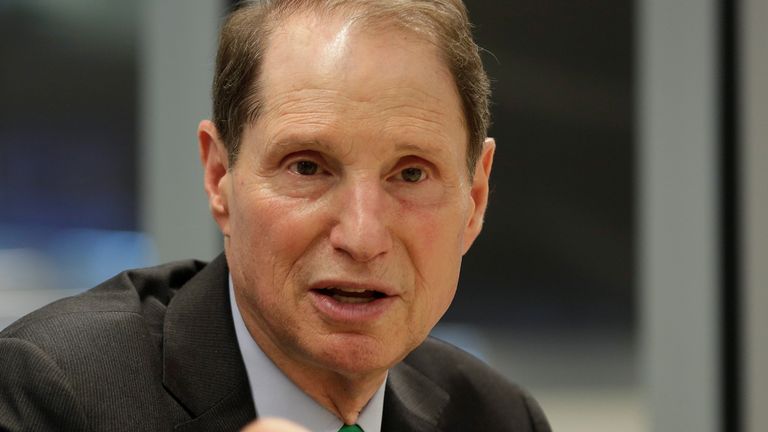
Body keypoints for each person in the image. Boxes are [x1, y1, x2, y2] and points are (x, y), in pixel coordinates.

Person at [0, 1, 551, 431]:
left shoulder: (497, 418)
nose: (362, 237)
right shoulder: (54, 393)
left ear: (474, 198)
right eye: (308, 167)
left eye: (410, 174)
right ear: (220, 178)